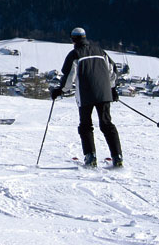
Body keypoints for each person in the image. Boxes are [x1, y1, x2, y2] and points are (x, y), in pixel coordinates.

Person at [51, 27, 123, 167]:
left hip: (85, 94)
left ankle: (91, 158)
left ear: (73, 39)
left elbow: (69, 77)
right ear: (85, 37)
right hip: (104, 93)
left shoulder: (75, 54)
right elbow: (112, 71)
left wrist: (60, 90)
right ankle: (117, 157)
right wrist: (112, 89)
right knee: (107, 124)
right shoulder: (100, 52)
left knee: (85, 125)